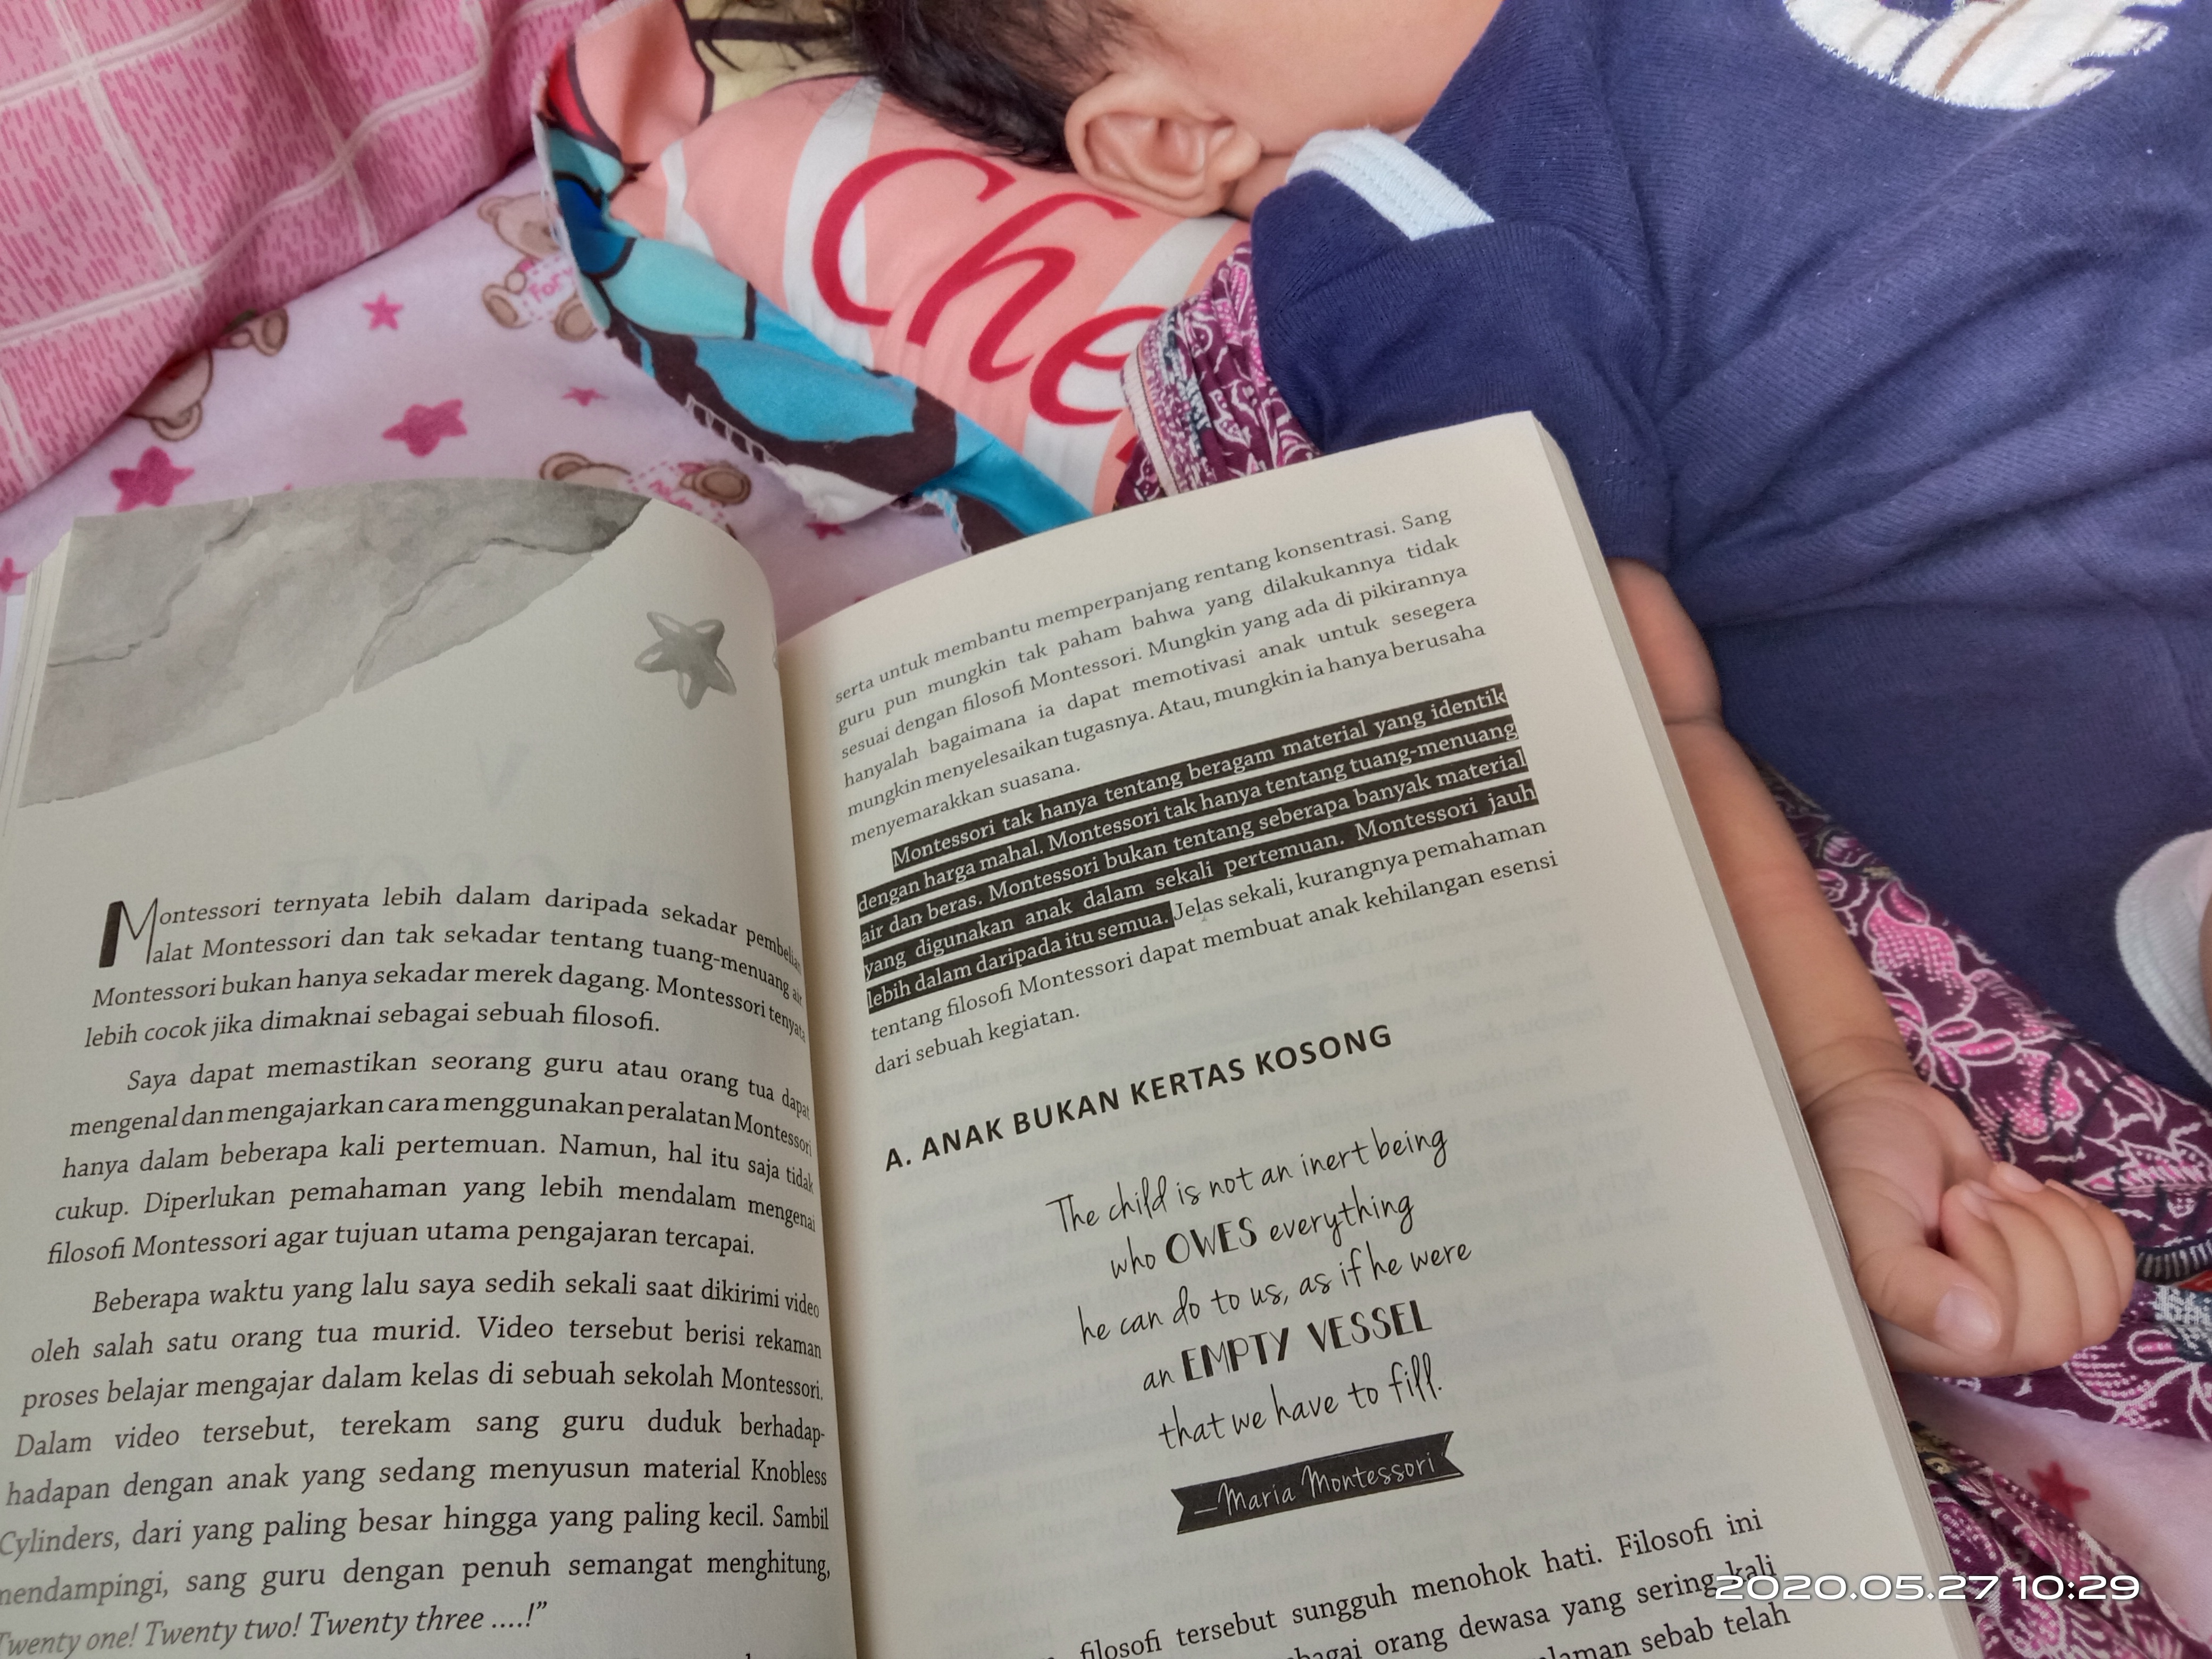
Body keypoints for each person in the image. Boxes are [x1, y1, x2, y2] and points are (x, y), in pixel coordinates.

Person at [849, 0, 2212, 1375]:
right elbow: (1629, 706)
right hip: (2120, 699)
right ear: (1176, 134)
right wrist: (1845, 1078)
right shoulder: (1422, 210)